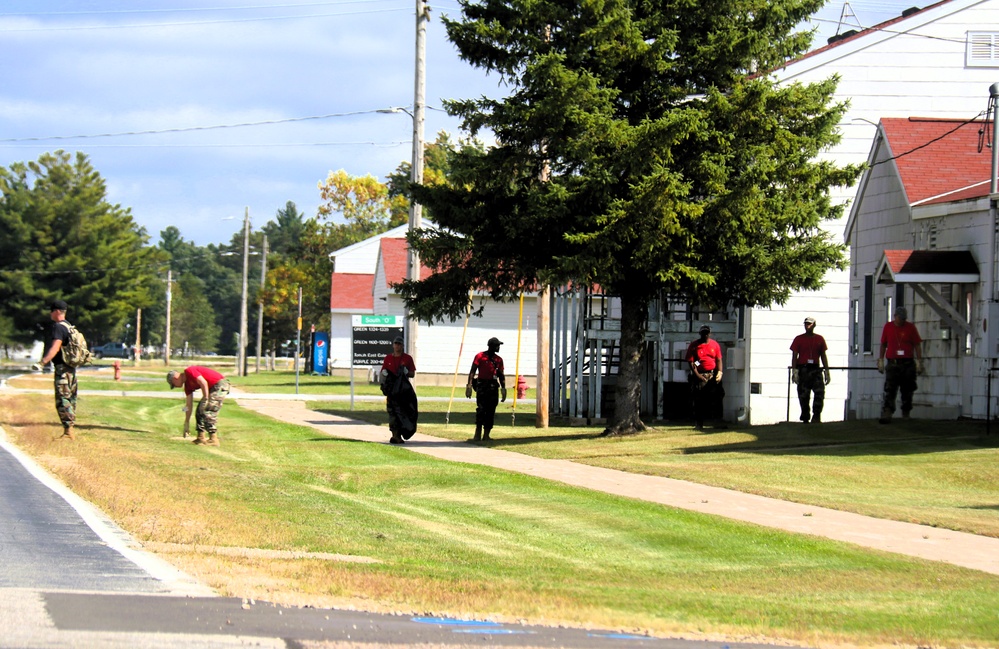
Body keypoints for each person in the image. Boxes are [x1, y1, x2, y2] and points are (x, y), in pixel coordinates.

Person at [38, 299, 77, 440]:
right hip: (71, 369)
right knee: (70, 398)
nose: (50, 313)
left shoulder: (58, 327)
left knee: (62, 399)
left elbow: (55, 347)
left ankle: (68, 432)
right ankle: (69, 429)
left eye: (51, 310)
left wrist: (43, 361)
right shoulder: (69, 326)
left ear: (57, 311)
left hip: (62, 369)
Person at [877, 306, 923, 424]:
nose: (902, 320)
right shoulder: (888, 327)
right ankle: (888, 411)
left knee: (907, 389)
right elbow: (883, 344)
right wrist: (881, 359)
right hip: (893, 362)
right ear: (895, 317)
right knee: (890, 388)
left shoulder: (910, 328)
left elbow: (917, 344)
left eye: (903, 318)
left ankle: (906, 412)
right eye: (900, 318)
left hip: (907, 363)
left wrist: (919, 361)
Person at [166, 366, 231, 446]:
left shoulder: (189, 371)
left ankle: (213, 439)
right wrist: (186, 422)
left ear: (175, 378)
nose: (175, 386)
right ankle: (201, 437)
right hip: (212, 388)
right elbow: (188, 405)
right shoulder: (187, 387)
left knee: (208, 410)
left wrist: (205, 398)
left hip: (220, 384)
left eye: (173, 384)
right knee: (199, 411)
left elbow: (203, 382)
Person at [790, 316, 831, 424]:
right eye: (806, 324)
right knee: (803, 394)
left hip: (816, 369)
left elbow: (823, 355)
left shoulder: (819, 339)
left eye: (810, 324)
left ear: (814, 325)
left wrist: (826, 371)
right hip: (803, 368)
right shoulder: (798, 339)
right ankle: (805, 416)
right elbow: (794, 355)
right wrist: (794, 371)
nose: (807, 326)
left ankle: (816, 415)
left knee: (819, 392)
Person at [465, 337, 506, 441]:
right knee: (481, 409)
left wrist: (503, 388)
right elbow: (472, 371)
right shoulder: (480, 356)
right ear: (491, 346)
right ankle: (477, 433)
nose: (498, 348)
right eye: (497, 346)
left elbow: (501, 375)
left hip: (493, 386)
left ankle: (486, 434)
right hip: (482, 385)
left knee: (491, 410)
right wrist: (469, 385)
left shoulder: (498, 360)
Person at [380, 336, 418, 444]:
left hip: (403, 391)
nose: (398, 346)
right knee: (393, 412)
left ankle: (400, 434)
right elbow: (383, 371)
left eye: (400, 344)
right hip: (392, 391)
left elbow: (412, 374)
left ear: (402, 346)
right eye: (396, 344)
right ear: (393, 345)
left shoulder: (407, 358)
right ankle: (395, 435)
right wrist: (384, 375)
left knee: (404, 412)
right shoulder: (388, 358)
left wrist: (406, 371)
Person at [686, 325, 724, 430]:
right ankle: (699, 423)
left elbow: (718, 359)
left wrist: (720, 372)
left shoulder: (714, 345)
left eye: (707, 333)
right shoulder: (694, 345)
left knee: (717, 398)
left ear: (709, 334)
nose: (705, 335)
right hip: (700, 375)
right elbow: (693, 362)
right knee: (699, 400)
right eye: (703, 333)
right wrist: (697, 374)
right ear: (700, 334)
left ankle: (717, 422)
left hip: (712, 374)